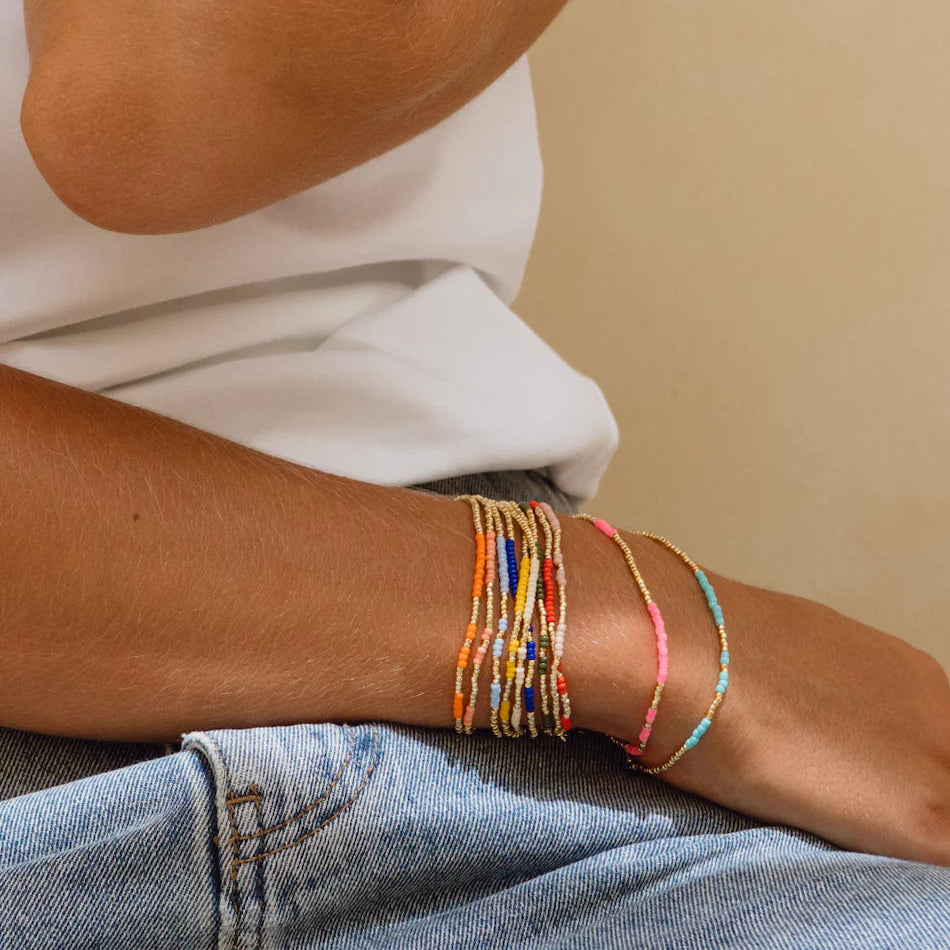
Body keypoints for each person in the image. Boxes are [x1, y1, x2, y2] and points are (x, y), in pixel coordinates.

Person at [1, 2, 947, 947]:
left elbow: (168, 84)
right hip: (533, 667)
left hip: (528, 775)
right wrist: (624, 623)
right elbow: (147, 121)